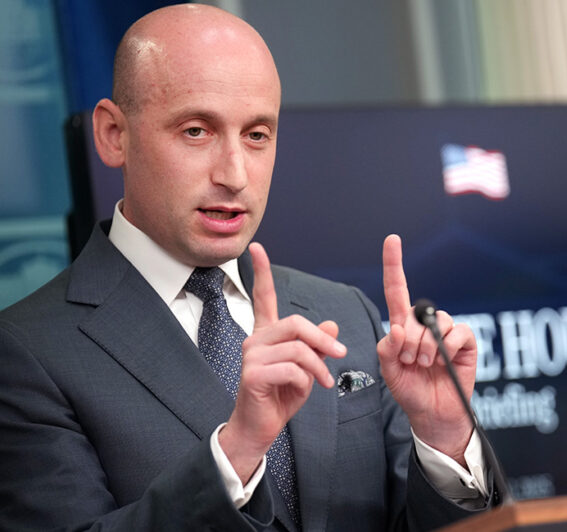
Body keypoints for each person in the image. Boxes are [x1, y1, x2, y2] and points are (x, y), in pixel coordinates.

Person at [0, 4, 497, 530]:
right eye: (197, 131)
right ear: (113, 134)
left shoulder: (345, 314)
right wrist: (235, 455)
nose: (235, 175)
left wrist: (445, 439)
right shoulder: (26, 352)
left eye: (257, 135)